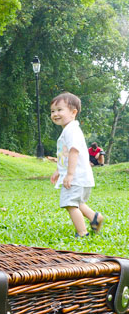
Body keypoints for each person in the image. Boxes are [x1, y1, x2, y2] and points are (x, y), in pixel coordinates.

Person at [49, 92, 104, 237]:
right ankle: (95, 217)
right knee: (78, 202)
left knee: (70, 204)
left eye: (60, 110)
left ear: (73, 112)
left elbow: (74, 152)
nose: (55, 114)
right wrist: (59, 170)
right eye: (52, 111)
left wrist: (69, 174)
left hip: (76, 177)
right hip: (81, 177)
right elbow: (65, 155)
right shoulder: (69, 130)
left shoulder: (71, 130)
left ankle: (82, 233)